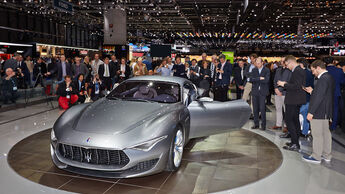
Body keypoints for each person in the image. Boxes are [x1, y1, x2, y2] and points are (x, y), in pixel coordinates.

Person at [302, 60, 334, 163]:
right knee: (326, 133)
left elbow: (319, 98)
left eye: (313, 70)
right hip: (326, 111)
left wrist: (311, 112)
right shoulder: (329, 77)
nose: (312, 73)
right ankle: (326, 155)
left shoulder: (322, 79)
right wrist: (313, 91)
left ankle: (316, 156)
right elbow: (323, 95)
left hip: (319, 111)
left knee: (317, 134)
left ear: (318, 68)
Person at [277, 55, 306, 151]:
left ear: (290, 62)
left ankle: (295, 143)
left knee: (289, 120)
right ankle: (294, 141)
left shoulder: (297, 71)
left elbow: (296, 86)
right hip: (295, 99)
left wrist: (284, 84)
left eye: (287, 64)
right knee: (294, 120)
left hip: (293, 99)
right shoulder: (298, 70)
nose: (287, 67)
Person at [324, 56, 345, 130]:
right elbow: (343, 81)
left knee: (324, 109)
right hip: (336, 92)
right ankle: (333, 126)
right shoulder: (339, 70)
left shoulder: (324, 70)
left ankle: (324, 125)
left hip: (325, 92)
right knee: (335, 109)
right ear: (333, 62)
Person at [250, 58, 270, 131]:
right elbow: (251, 79)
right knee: (255, 109)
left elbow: (266, 80)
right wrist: (260, 78)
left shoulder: (266, 70)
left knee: (262, 109)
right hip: (255, 91)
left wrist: (257, 79)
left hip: (263, 92)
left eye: (259, 63)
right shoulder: (254, 70)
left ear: (262, 63)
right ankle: (256, 124)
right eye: (256, 63)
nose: (257, 65)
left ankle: (263, 125)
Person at [272, 57, 291, 131]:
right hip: (277, 92)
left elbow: (289, 82)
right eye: (281, 61)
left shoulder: (290, 71)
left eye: (283, 61)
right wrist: (276, 89)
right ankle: (278, 124)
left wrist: (280, 90)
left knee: (286, 110)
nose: (282, 62)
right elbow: (275, 80)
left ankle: (286, 125)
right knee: (278, 109)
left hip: (285, 93)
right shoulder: (278, 70)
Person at [298, 58, 314, 137]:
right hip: (308, 98)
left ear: (301, 64)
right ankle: (304, 132)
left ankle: (296, 131)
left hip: (302, 98)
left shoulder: (302, 73)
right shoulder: (309, 73)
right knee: (305, 115)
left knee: (296, 114)